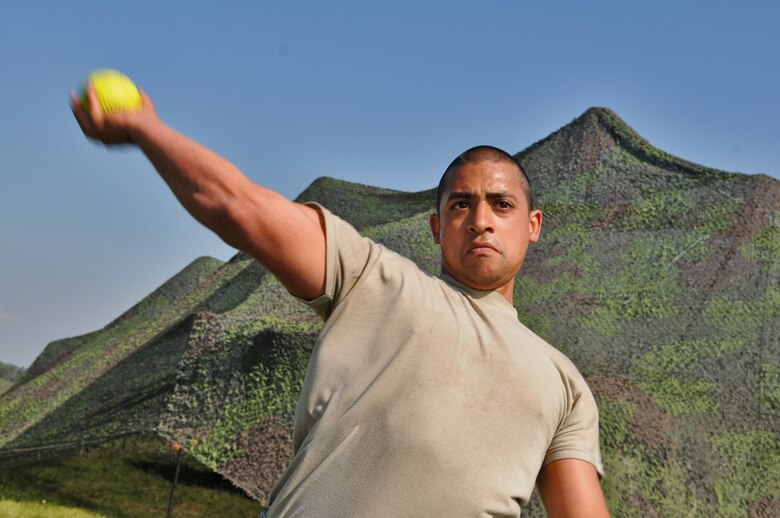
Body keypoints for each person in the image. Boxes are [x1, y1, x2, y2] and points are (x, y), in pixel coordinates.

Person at [72, 84, 610, 517]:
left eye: (502, 204)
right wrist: (146, 129)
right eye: (462, 204)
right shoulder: (372, 278)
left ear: (533, 225)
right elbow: (237, 206)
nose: (482, 219)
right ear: (436, 225)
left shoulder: (564, 384)